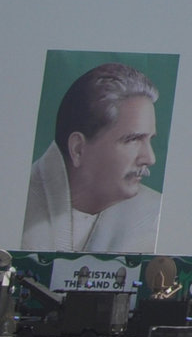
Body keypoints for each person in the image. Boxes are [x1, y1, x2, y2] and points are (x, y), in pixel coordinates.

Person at [21, 63, 163, 253]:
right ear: (78, 149)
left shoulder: (155, 214)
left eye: (149, 139)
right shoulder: (17, 207)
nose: (150, 158)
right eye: (133, 139)